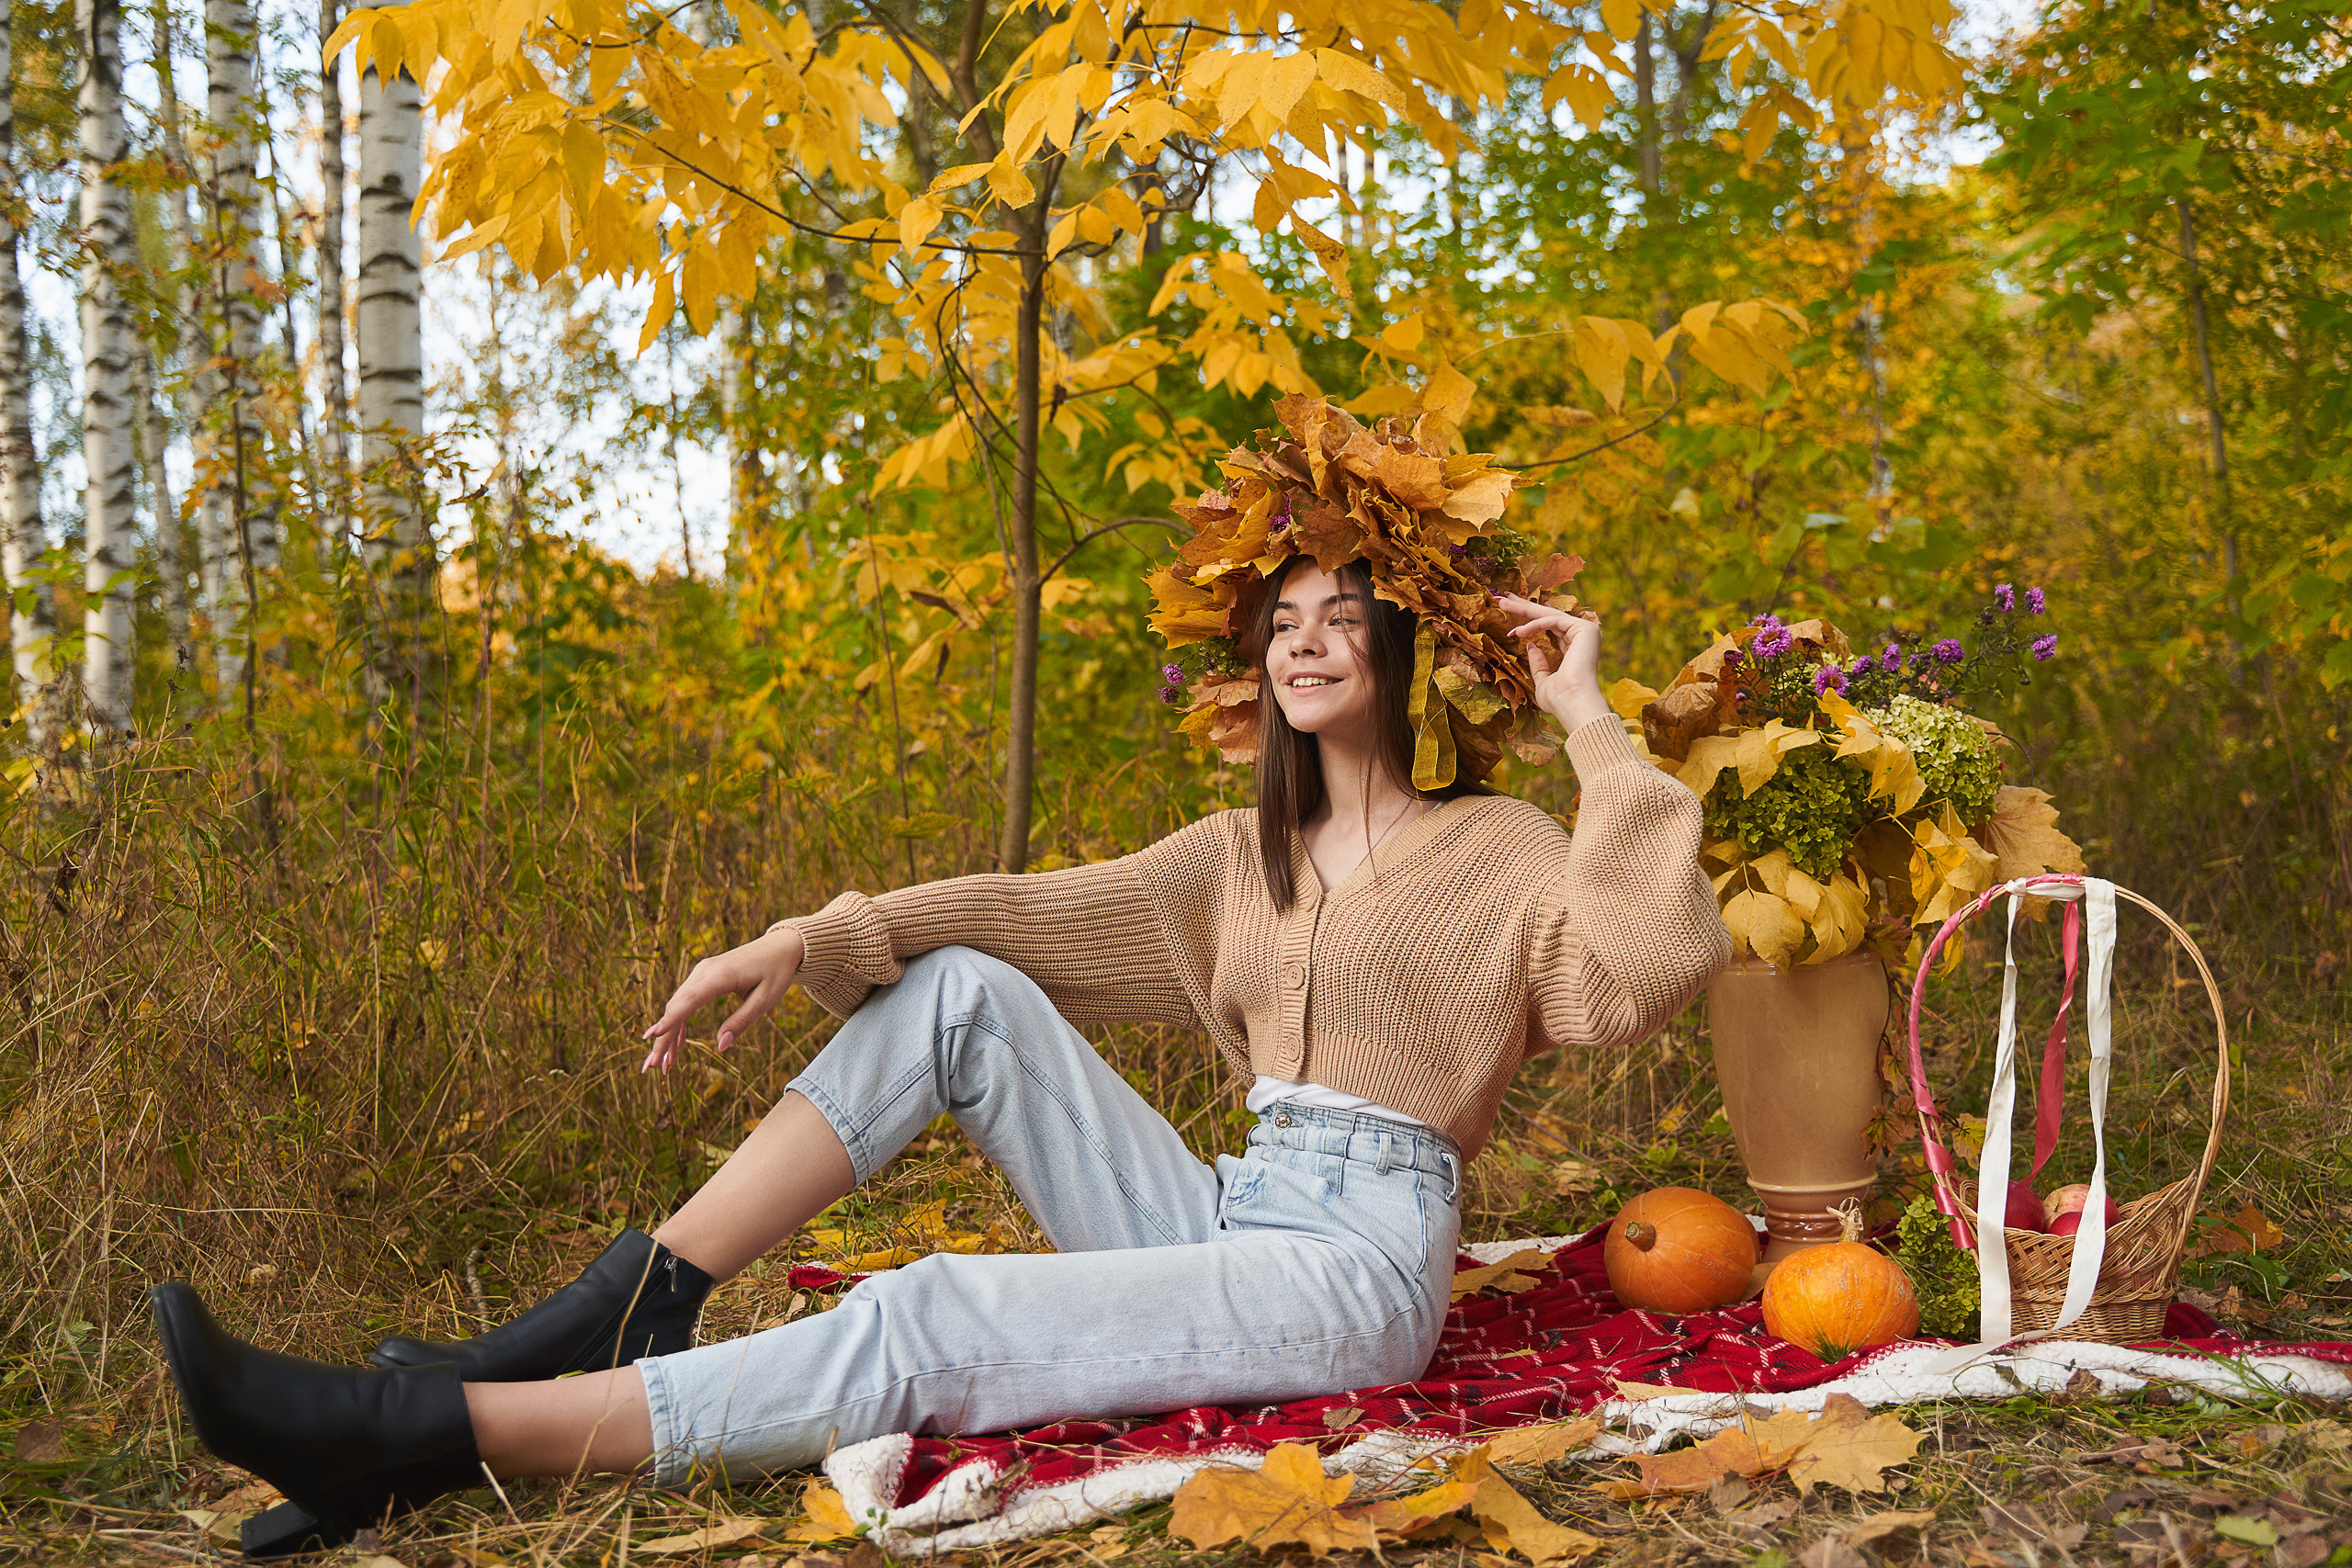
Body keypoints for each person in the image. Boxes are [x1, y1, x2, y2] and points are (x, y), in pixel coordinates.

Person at [153, 428, 1732, 1558]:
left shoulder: (1498, 848)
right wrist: (805, 939)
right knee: (964, 985)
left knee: (932, 1310)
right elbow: (1018, 923)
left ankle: (433, 1442)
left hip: (1359, 1271)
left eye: (1344, 618)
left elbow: (1638, 971)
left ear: (1404, 645)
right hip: (1229, 1214)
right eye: (1285, 621)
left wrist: (1590, 724)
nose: (1306, 645)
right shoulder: (1233, 856)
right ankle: (634, 1296)